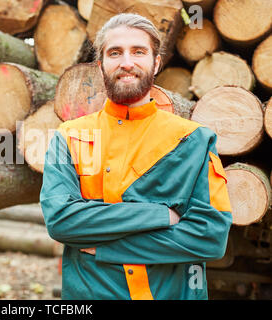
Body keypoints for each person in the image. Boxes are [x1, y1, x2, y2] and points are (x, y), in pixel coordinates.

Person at [40, 13, 232, 300]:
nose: (126, 62)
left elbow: (210, 238)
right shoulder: (69, 137)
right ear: (100, 64)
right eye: (114, 53)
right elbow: (61, 221)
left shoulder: (194, 140)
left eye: (138, 52)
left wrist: (108, 248)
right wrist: (161, 215)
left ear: (156, 63)